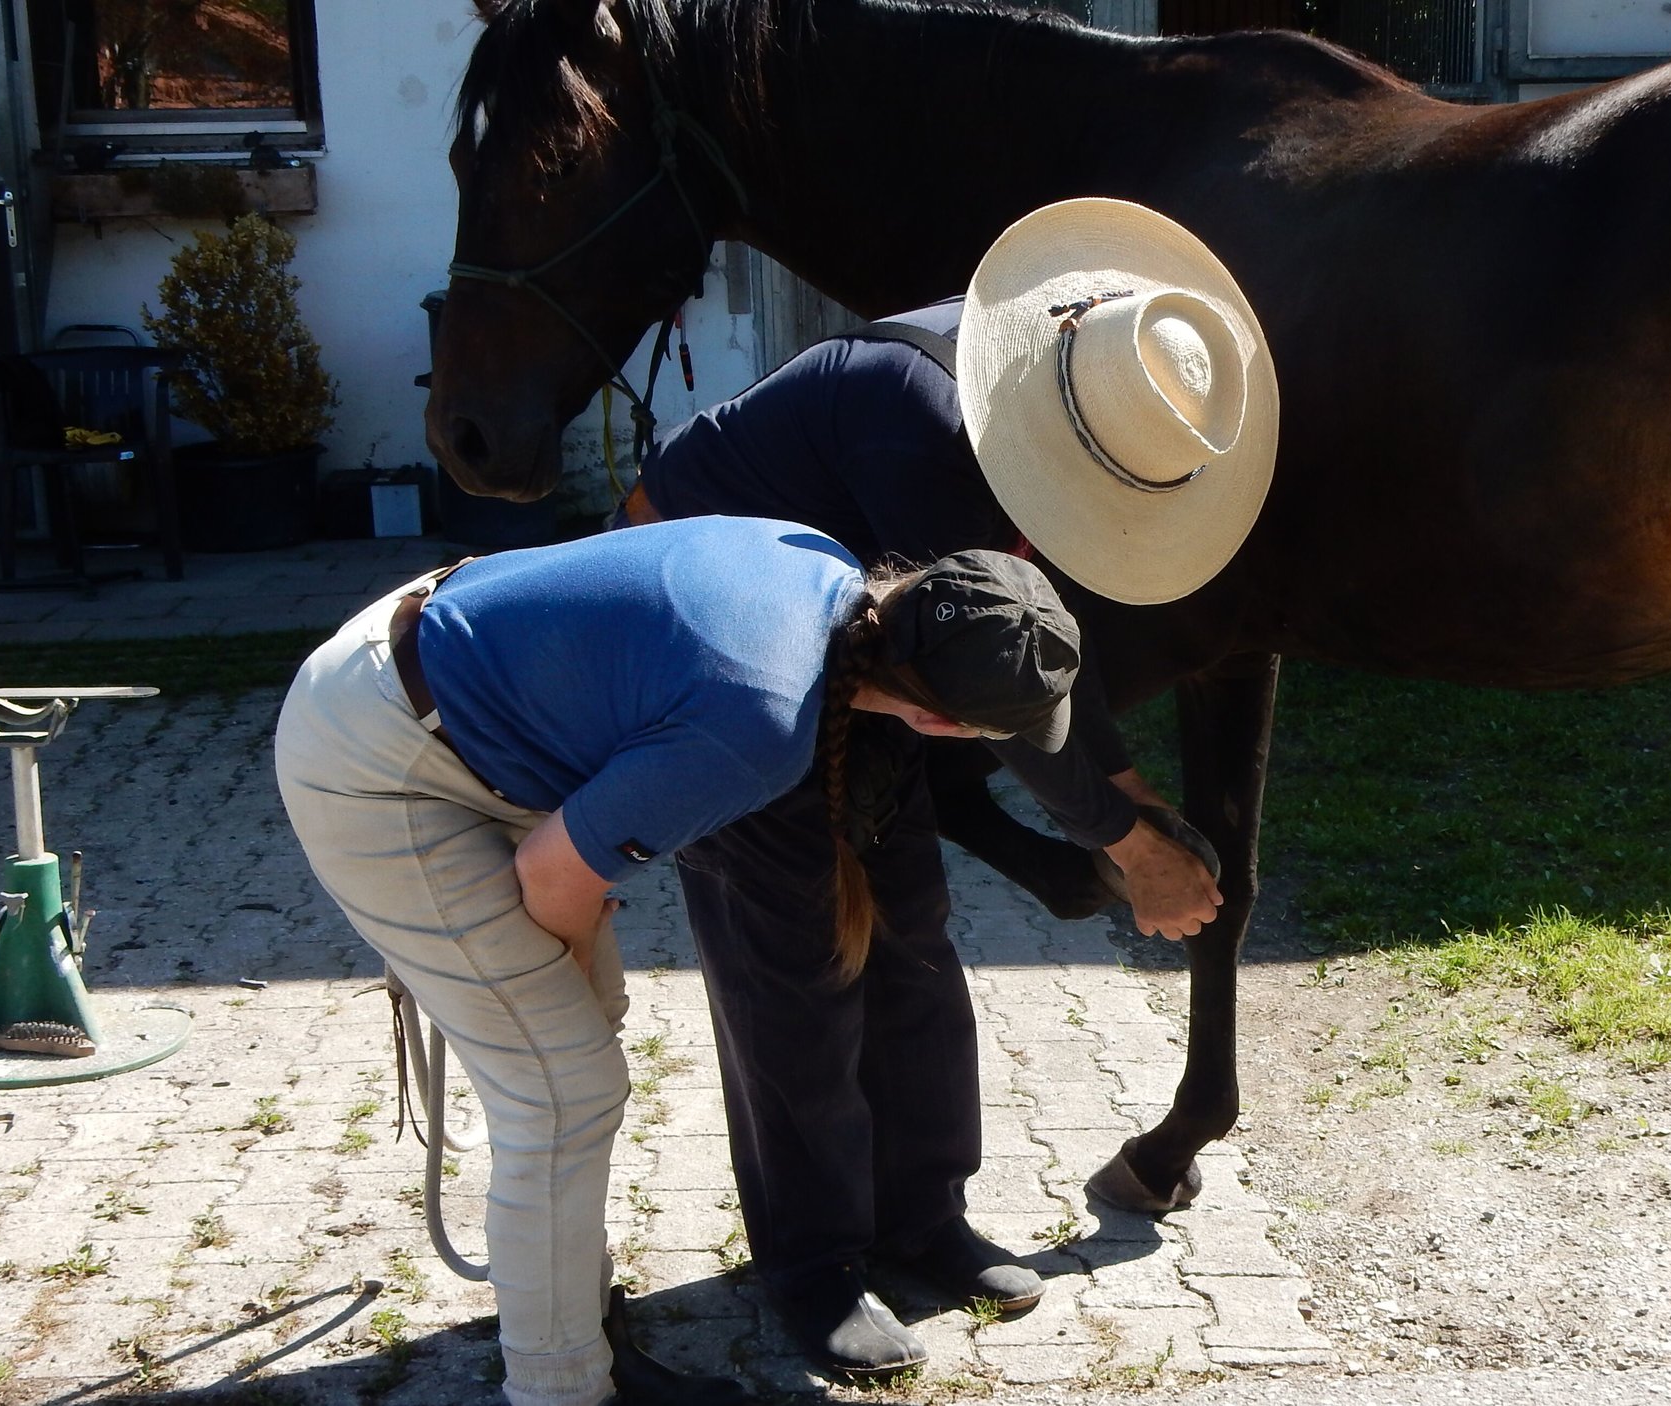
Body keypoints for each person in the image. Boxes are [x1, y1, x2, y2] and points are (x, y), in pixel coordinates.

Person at [620, 198, 1279, 1376]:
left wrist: (1127, 795)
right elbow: (1003, 690)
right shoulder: (929, 428)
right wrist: (1135, 847)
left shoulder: (1073, 368)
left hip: (863, 645)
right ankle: (813, 1260)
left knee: (912, 937)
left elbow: (1033, 655)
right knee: (799, 958)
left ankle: (919, 1214)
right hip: (719, 656)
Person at [275, 517, 1083, 1406]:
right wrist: (573, 982)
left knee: (579, 1050)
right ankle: (566, 1389)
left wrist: (580, 978)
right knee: (562, 1091)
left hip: (447, 692)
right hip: (379, 759)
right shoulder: (762, 723)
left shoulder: (824, 569)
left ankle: (584, 1326)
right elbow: (551, 877)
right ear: (939, 722)